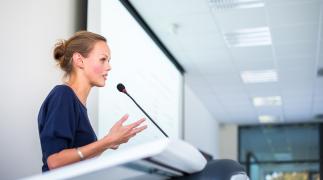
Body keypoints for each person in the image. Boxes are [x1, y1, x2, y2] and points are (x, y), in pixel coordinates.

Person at [38, 31, 147, 172]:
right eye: (103, 59)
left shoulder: (76, 102)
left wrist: (108, 142)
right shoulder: (63, 95)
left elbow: (80, 163)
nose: (109, 67)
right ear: (79, 60)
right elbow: (55, 162)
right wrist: (107, 141)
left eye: (109, 61)